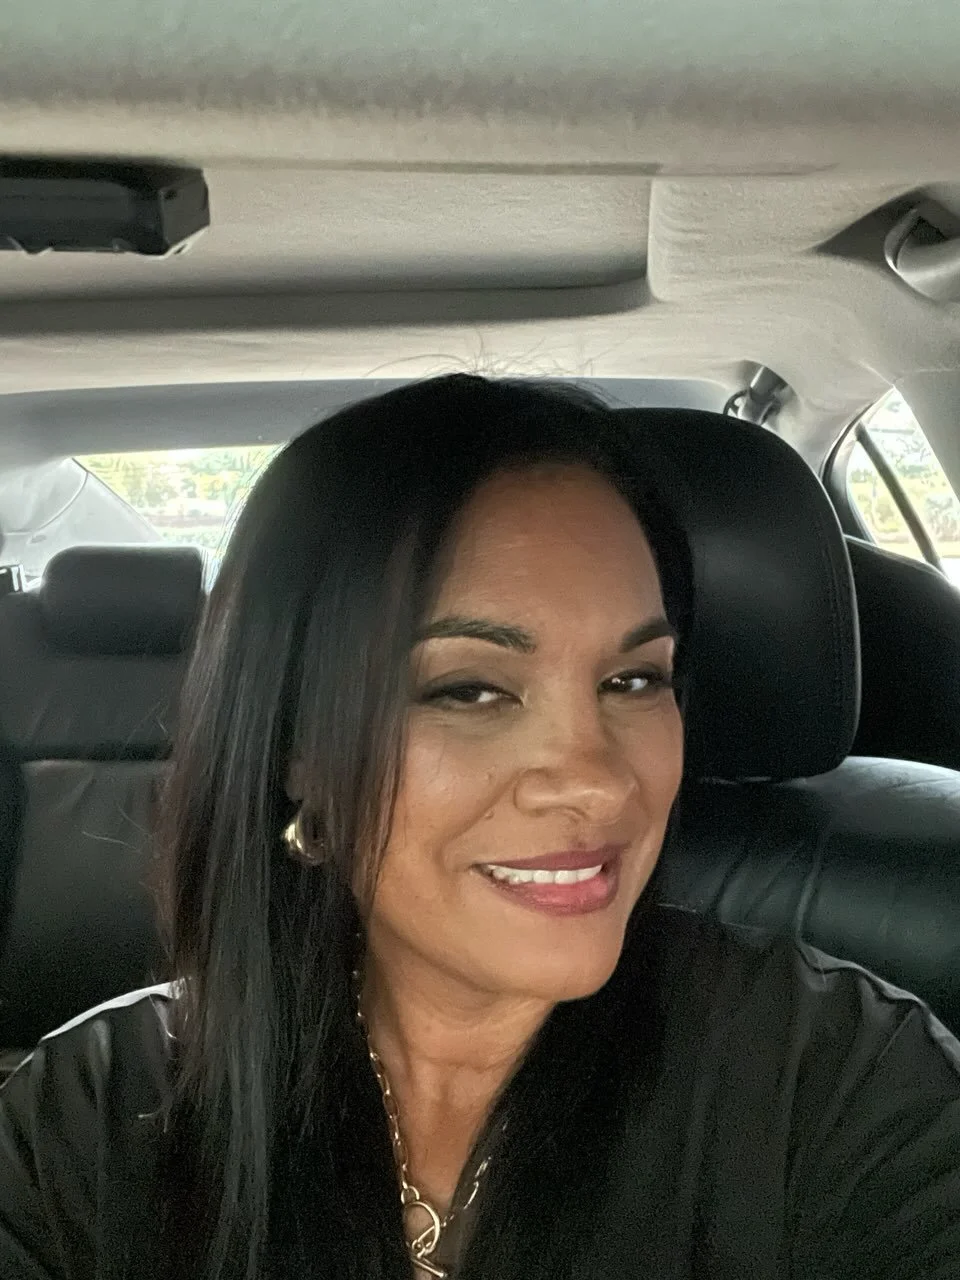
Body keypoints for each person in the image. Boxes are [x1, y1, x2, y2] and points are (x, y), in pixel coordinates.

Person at [0, 374, 958, 1280]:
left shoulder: (841, 1086)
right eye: (470, 690)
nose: (596, 783)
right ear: (297, 752)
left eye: (635, 680)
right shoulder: (89, 1124)